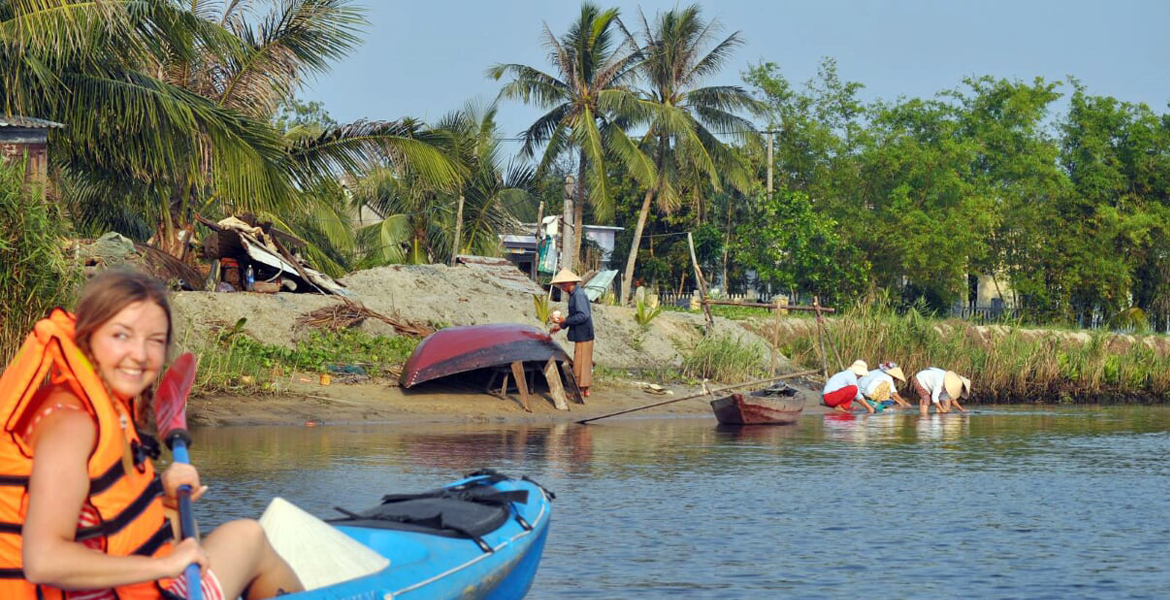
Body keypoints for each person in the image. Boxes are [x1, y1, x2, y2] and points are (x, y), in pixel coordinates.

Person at [0, 270, 303, 600]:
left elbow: (116, 526)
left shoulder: (100, 408)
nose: (140, 355)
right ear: (87, 337)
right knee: (250, 538)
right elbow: (43, 561)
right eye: (121, 336)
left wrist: (167, 501)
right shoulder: (71, 425)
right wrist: (166, 567)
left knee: (240, 534)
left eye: (155, 340)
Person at [548, 269, 594, 398]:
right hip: (584, 333)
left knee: (580, 363)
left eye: (563, 285)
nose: (562, 287)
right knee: (584, 362)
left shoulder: (578, 295)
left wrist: (564, 320)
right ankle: (585, 390)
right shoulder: (575, 294)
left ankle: (578, 391)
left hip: (583, 333)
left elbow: (583, 315)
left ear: (568, 283)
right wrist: (562, 325)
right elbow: (576, 315)